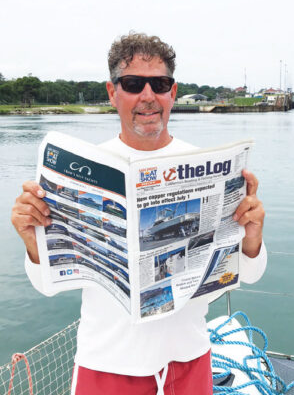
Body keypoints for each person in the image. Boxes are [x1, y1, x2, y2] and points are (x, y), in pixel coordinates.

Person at [11, 32, 267, 395]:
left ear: (173, 93)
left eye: (159, 84)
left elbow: (250, 274)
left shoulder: (213, 167)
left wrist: (253, 239)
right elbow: (46, 285)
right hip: (106, 364)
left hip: (189, 359)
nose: (148, 96)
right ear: (113, 92)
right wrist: (31, 242)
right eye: (133, 83)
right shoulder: (77, 172)